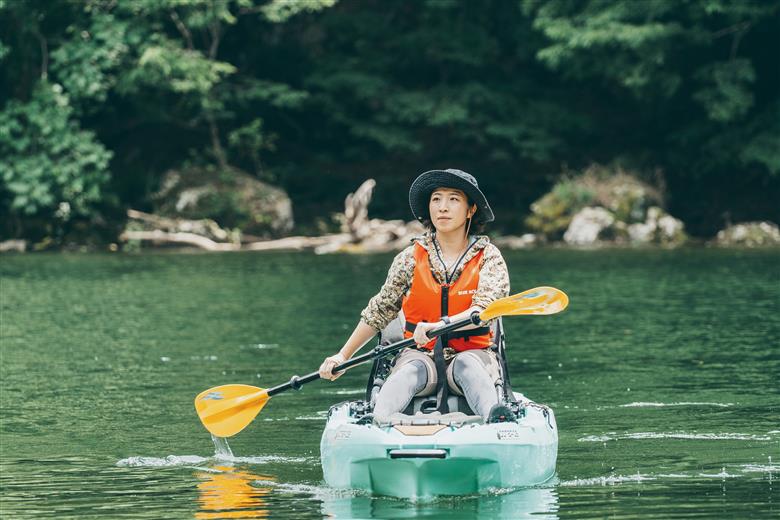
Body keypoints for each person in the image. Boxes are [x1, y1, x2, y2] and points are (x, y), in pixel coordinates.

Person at [318, 169, 512, 422]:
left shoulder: (489, 257)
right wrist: (343, 356)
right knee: (408, 371)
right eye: (436, 199)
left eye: (453, 199)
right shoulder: (409, 258)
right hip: (421, 355)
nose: (443, 207)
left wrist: (439, 325)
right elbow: (379, 310)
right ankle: (376, 421)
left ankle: (496, 421)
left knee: (468, 367)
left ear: (470, 210)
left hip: (473, 354)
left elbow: (483, 311)